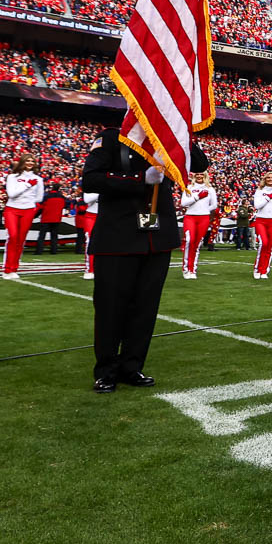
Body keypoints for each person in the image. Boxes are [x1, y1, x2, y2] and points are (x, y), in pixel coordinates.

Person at [82, 134, 208, 392]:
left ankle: (132, 365)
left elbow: (199, 164)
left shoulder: (167, 135)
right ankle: (106, 370)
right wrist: (139, 180)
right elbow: (90, 180)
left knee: (145, 308)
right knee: (111, 307)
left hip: (156, 238)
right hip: (118, 235)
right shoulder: (110, 138)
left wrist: (179, 131)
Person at [2, 154, 44, 278]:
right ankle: (7, 269)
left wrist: (29, 202)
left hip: (28, 210)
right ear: (22, 162)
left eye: (32, 161)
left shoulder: (38, 179)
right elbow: (11, 194)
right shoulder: (12, 177)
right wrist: (27, 185)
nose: (30, 163)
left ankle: (14, 269)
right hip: (12, 209)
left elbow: (39, 197)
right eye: (27, 161)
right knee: (13, 236)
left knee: (21, 239)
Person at [178, 171, 217, 279]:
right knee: (189, 240)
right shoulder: (189, 187)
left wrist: (204, 210)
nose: (199, 176)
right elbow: (183, 203)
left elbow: (214, 205)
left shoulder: (210, 189)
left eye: (202, 175)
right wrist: (197, 197)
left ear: (205, 176)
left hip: (203, 218)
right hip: (190, 216)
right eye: (197, 174)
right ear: (194, 176)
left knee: (197, 243)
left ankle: (192, 269)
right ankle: (186, 269)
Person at [34, 183, 67, 255]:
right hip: (56, 218)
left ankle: (39, 251)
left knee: (42, 235)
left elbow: (41, 207)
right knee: (54, 235)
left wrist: (35, 216)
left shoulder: (47, 197)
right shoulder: (62, 197)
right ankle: (54, 250)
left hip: (46, 218)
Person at [78, 188, 99, 279]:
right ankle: (90, 269)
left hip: (106, 215)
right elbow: (87, 199)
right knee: (90, 242)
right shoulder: (92, 181)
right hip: (91, 215)